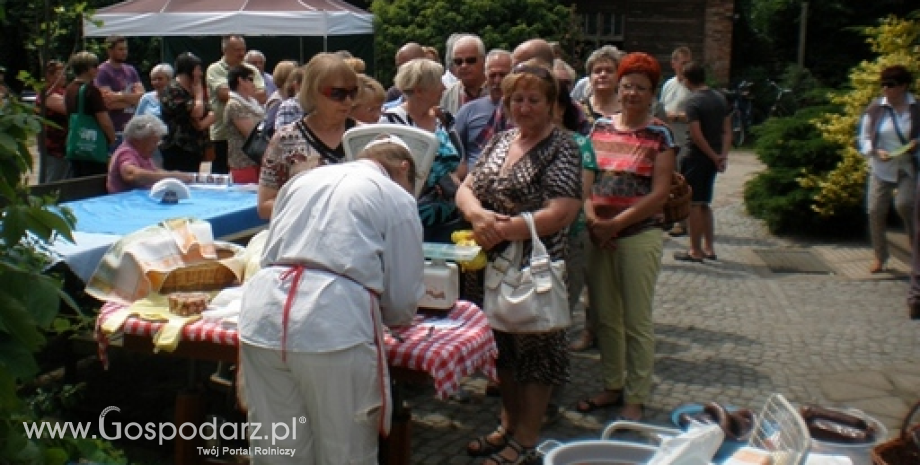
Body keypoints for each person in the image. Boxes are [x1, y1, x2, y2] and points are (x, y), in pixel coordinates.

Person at [239, 136, 424, 464]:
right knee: (345, 450)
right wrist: (395, 316)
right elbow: (401, 297)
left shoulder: (301, 181)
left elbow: (271, 250)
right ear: (405, 169)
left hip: (263, 315)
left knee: (278, 448)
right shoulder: (396, 197)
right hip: (332, 324)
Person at [458, 60, 582, 465]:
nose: (524, 107)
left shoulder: (563, 146)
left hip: (535, 267)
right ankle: (507, 424)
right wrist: (478, 216)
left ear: (550, 104)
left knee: (536, 354)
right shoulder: (500, 140)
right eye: (517, 99)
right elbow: (467, 188)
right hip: (492, 263)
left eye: (533, 99)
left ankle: (526, 439)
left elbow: (562, 211)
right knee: (502, 350)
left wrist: (503, 229)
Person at [576, 52, 676, 423]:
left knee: (636, 319)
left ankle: (636, 394)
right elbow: (584, 178)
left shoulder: (659, 134)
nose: (632, 93)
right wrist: (591, 220)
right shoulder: (598, 127)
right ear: (618, 88)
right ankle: (612, 384)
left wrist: (615, 225)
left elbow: (659, 193)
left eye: (641, 88)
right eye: (627, 86)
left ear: (652, 93)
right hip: (597, 232)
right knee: (606, 317)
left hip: (637, 234)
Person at [258, 53, 359, 219]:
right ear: (313, 93)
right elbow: (265, 205)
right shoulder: (284, 140)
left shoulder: (365, 136)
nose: (348, 101)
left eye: (353, 92)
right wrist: (317, 210)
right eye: (337, 93)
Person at [381, 58, 465, 242]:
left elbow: (459, 161)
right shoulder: (390, 122)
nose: (444, 88)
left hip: (450, 216)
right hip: (408, 218)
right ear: (419, 90)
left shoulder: (443, 118)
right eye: (437, 83)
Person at [859, 65, 919, 276]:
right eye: (883, 85)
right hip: (882, 166)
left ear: (903, 86)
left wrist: (915, 144)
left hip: (907, 166)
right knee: (875, 209)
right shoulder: (876, 109)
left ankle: (915, 248)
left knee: (905, 204)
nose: (886, 89)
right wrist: (874, 150)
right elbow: (864, 138)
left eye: (890, 85)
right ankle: (880, 256)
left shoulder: (915, 108)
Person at [673, 62, 731, 263]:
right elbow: (727, 130)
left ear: (687, 80)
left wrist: (713, 156)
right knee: (705, 202)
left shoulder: (693, 102)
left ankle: (695, 250)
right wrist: (721, 155)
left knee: (694, 204)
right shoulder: (719, 98)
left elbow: (696, 135)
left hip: (697, 157)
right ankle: (709, 247)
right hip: (714, 156)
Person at [207, 35, 266, 174]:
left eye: (243, 49)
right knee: (221, 176)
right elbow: (223, 95)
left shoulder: (250, 69)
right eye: (236, 50)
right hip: (222, 135)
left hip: (247, 142)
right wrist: (249, 94)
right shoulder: (215, 69)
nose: (241, 53)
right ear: (225, 50)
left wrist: (239, 92)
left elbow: (263, 96)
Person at [454, 49, 512, 170]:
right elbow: (455, 150)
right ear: (485, 76)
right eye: (492, 75)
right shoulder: (468, 110)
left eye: (503, 75)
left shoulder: (521, 112)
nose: (497, 81)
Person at [106, 114, 194, 193]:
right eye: (153, 142)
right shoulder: (126, 152)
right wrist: (172, 177)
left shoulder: (142, 153)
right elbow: (131, 175)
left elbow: (154, 171)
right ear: (138, 140)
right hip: (126, 203)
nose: (156, 147)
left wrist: (177, 176)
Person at [160, 52, 216, 173]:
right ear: (189, 70)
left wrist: (201, 125)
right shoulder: (173, 89)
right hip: (178, 148)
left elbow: (212, 114)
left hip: (195, 148)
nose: (201, 74)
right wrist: (199, 95)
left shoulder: (192, 90)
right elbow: (197, 113)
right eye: (198, 70)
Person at [65, 51, 117, 177]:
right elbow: (104, 121)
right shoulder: (91, 91)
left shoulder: (69, 89)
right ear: (85, 68)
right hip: (92, 148)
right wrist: (112, 139)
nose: (98, 69)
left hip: (75, 145)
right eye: (94, 65)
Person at [660, 46, 694, 237]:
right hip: (668, 138)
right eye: (682, 63)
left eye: (688, 63)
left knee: (682, 180)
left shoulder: (690, 87)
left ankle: (683, 221)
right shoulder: (669, 84)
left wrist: (679, 117)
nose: (685, 67)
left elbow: (695, 114)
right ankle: (667, 216)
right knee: (668, 178)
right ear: (673, 64)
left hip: (684, 137)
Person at [95, 36, 145, 147]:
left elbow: (141, 97)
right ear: (110, 50)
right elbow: (108, 103)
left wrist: (118, 96)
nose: (124, 52)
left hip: (132, 129)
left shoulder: (131, 70)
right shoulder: (102, 71)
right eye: (120, 49)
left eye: (125, 49)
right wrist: (132, 99)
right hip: (115, 129)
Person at [225, 65, 265, 184]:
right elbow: (250, 132)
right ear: (240, 80)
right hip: (242, 163)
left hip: (257, 161)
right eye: (250, 79)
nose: (254, 84)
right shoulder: (234, 105)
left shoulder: (253, 103)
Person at [36, 59, 71, 182]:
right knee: (52, 180)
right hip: (52, 147)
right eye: (60, 74)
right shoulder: (46, 94)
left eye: (64, 73)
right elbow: (68, 108)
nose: (64, 76)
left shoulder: (63, 91)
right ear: (49, 76)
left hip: (65, 146)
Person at [136, 63, 174, 168]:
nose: (156, 82)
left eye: (160, 79)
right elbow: (136, 122)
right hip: (150, 147)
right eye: (153, 79)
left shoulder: (175, 99)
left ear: (170, 79)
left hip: (170, 146)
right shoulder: (146, 98)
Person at [440, 34, 487, 115]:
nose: (464, 66)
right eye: (458, 62)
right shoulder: (446, 96)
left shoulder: (497, 90)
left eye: (470, 60)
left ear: (483, 61)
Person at [578, 45, 625, 124]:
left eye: (609, 71)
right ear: (590, 77)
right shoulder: (578, 110)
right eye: (597, 71)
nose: (603, 75)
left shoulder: (628, 110)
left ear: (619, 76)